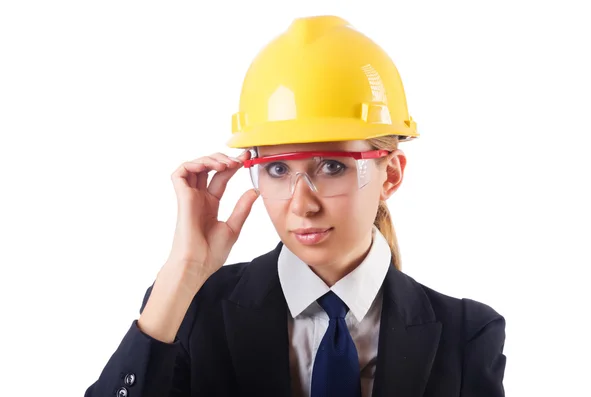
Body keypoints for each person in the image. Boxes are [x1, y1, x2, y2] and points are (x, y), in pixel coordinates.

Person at [85, 15, 506, 397]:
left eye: (332, 166)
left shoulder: (465, 335)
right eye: (278, 169)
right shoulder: (191, 311)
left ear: (390, 175)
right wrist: (183, 273)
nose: (302, 205)